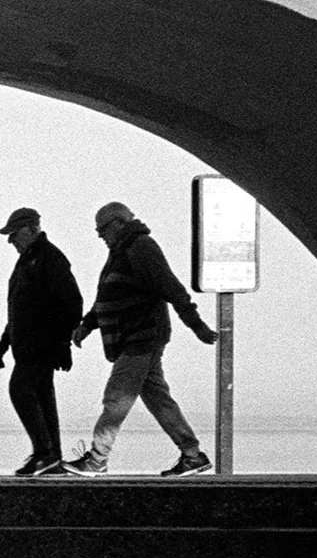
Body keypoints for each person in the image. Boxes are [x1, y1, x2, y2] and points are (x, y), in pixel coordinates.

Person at [58, 200, 217, 477]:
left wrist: (197, 326)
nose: (100, 236)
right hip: (132, 339)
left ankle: (97, 459)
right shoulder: (121, 251)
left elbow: (172, 288)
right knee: (158, 399)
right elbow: (109, 296)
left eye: (103, 230)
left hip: (142, 337)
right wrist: (87, 325)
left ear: (119, 223)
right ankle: (192, 455)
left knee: (116, 398)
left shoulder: (141, 247)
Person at [0, 207, 83, 477]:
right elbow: (20, 308)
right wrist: (3, 343)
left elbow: (71, 302)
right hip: (26, 345)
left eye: (14, 235)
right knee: (42, 399)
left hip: (43, 343)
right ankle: (52, 458)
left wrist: (63, 345)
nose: (11, 241)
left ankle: (45, 452)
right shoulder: (27, 261)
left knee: (20, 389)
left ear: (31, 230)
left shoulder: (50, 258)